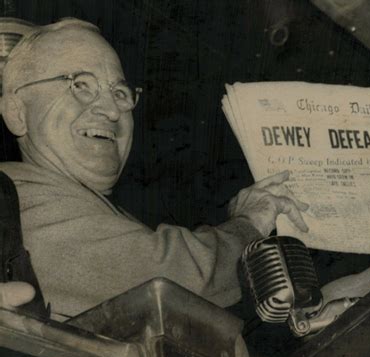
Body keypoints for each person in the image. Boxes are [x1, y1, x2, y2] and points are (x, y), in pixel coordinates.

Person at [0, 18, 309, 321]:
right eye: (80, 84)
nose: (111, 110)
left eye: (120, 94)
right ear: (16, 113)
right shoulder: (11, 198)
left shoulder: (98, 214)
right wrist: (248, 224)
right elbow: (171, 277)